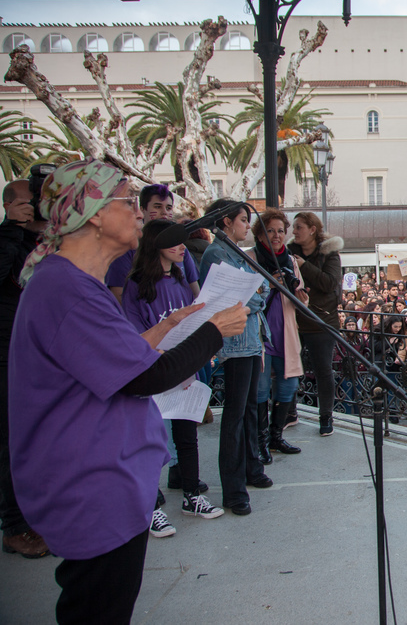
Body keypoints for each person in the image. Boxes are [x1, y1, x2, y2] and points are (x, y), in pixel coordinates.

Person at [8, 160, 247, 624]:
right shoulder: (66, 290)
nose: (140, 213)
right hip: (91, 484)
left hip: (104, 478)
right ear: (93, 212)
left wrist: (168, 325)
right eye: (126, 200)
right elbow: (144, 377)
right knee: (98, 610)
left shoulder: (75, 285)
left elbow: (119, 358)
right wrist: (215, 330)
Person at [122, 219, 225, 530]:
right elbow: (133, 333)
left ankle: (191, 495)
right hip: (150, 372)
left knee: (186, 435)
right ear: (156, 245)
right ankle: (150, 505)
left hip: (183, 369)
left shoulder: (181, 279)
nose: (183, 247)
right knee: (151, 439)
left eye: (184, 241)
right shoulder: (135, 287)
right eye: (175, 242)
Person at [199, 199, 273, 516]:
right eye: (243, 220)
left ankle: (249, 470)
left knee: (248, 410)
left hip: (250, 340)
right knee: (234, 415)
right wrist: (255, 295)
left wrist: (256, 295)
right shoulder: (217, 253)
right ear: (227, 222)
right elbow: (239, 299)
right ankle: (233, 489)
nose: (247, 226)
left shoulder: (238, 253)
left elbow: (264, 289)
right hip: (235, 344)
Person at [0, 179, 48, 559]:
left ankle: (38, 517)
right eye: (25, 203)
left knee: (35, 441)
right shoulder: (8, 239)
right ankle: (14, 526)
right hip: (5, 352)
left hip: (34, 352)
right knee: (9, 443)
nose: (33, 208)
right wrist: (11, 229)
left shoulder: (42, 243)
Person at [252, 209, 306, 459]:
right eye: (270, 230)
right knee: (261, 392)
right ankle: (260, 442)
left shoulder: (291, 261)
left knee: (287, 388)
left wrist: (296, 292)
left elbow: (303, 298)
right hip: (260, 336)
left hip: (286, 335)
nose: (276, 235)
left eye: (281, 231)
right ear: (260, 233)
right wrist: (269, 284)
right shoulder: (250, 257)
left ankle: (276, 438)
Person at [288, 212, 343, 436]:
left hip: (322, 322)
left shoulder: (330, 254)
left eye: (298, 227)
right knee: (290, 369)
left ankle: (326, 417)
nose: (294, 231)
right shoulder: (289, 252)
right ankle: (289, 412)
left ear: (312, 229)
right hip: (294, 320)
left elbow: (329, 283)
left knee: (323, 371)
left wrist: (303, 266)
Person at [106, 184, 200, 304]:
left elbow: (195, 292)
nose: (164, 213)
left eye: (169, 208)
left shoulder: (182, 249)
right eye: (157, 206)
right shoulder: (127, 248)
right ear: (142, 209)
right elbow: (119, 295)